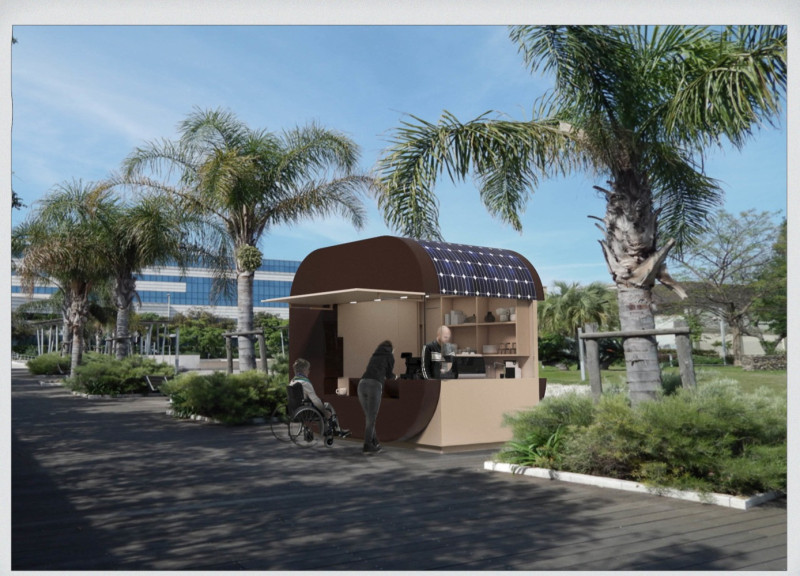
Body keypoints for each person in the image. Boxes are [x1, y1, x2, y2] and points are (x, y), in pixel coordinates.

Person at [290, 358, 350, 438]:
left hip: (297, 409)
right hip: (306, 410)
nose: (309, 371)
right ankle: (337, 430)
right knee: (326, 406)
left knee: (320, 407)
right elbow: (315, 400)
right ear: (304, 370)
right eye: (308, 369)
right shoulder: (305, 383)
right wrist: (324, 411)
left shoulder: (292, 381)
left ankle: (327, 431)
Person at [357, 340, 395, 454]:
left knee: (369, 417)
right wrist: (395, 376)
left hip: (361, 384)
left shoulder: (374, 355)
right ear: (391, 349)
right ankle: (367, 445)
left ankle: (375, 443)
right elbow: (389, 375)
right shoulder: (390, 356)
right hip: (374, 385)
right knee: (371, 418)